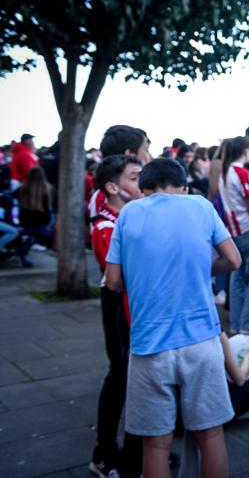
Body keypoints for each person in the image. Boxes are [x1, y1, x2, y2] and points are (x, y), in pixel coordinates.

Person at [105, 158, 241, 477]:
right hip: (202, 341)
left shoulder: (129, 213)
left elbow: (112, 280)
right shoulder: (201, 206)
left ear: (143, 189)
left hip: (149, 346)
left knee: (155, 445)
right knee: (211, 435)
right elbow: (233, 260)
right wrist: (200, 271)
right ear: (183, 187)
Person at [88, 155, 144, 478]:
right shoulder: (106, 225)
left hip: (134, 302)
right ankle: (105, 452)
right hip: (117, 302)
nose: (142, 183)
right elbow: (118, 277)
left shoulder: (131, 216)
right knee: (120, 375)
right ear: (112, 187)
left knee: (136, 378)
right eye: (135, 177)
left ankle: (139, 454)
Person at [219, 137, 249, 334]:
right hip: (247, 229)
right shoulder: (241, 172)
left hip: (234, 231)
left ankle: (236, 324)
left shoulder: (225, 172)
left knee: (237, 279)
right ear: (245, 152)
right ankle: (247, 326)